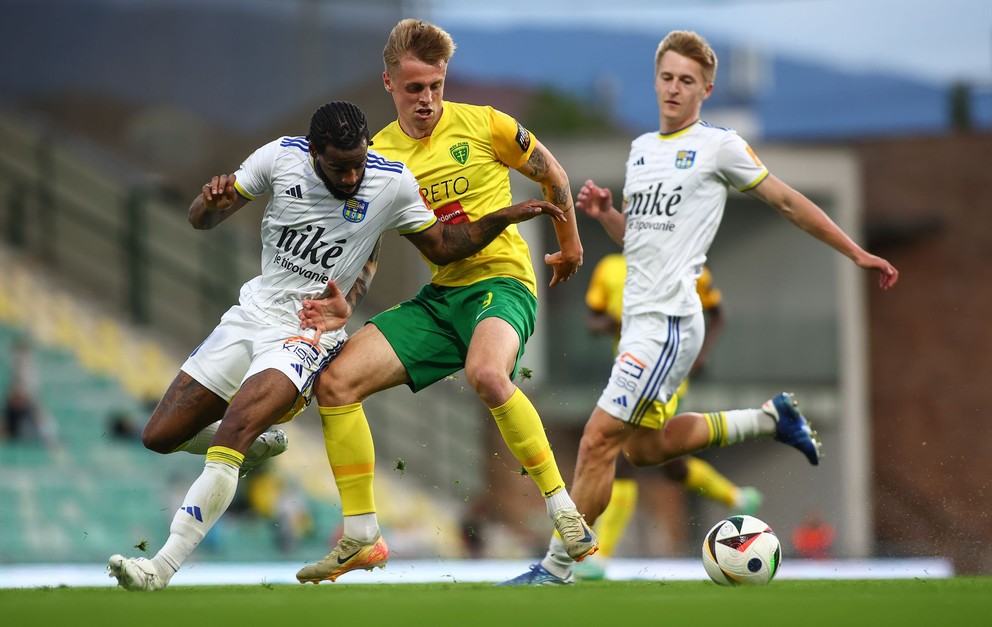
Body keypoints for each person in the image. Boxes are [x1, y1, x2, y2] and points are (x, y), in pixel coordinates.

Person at [106, 101, 564, 591]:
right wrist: (209, 201)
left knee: (230, 434)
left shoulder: (390, 181)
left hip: (307, 334)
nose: (350, 177)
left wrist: (505, 216)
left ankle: (161, 568)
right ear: (313, 153)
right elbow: (202, 220)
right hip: (250, 315)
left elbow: (444, 245)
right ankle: (257, 444)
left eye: (357, 163)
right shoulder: (279, 159)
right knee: (159, 436)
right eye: (338, 166)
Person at [501, 29, 898, 586]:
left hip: (666, 323)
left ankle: (556, 568)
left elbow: (786, 200)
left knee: (595, 440)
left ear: (706, 89)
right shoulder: (641, 149)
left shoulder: (720, 147)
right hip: (641, 318)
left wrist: (855, 251)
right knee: (644, 450)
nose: (674, 89)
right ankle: (768, 418)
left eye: (687, 81)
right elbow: (639, 241)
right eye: (666, 77)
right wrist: (609, 215)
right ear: (656, 80)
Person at [294, 19, 592, 584]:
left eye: (435, 86)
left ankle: (565, 515)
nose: (427, 99)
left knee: (486, 373)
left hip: (502, 284)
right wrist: (347, 302)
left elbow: (552, 172)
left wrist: (570, 247)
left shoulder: (486, 125)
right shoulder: (377, 154)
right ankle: (359, 536)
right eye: (414, 89)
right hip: (439, 299)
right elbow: (369, 245)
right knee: (335, 384)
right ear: (389, 84)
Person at [573, 256, 762, 581]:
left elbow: (717, 314)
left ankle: (600, 559)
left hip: (668, 376)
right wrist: (615, 325)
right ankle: (737, 497)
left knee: (626, 461)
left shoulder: (685, 263)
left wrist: (700, 355)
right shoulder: (609, 267)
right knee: (672, 465)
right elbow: (593, 321)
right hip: (628, 374)